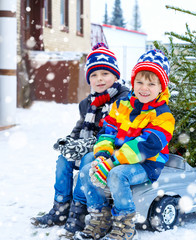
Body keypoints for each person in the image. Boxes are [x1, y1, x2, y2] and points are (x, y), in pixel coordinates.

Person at [73, 49, 175, 240]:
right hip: (116, 158)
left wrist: (112, 163)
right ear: (133, 82)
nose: (144, 88)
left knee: (117, 175)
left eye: (151, 84)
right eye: (140, 82)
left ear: (161, 87)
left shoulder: (163, 116)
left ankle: (125, 225)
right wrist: (102, 156)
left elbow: (145, 146)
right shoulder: (122, 105)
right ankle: (99, 218)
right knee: (87, 170)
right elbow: (108, 131)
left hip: (146, 163)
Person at [31, 43, 129, 237]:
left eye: (105, 73)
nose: (99, 79)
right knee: (63, 160)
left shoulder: (123, 98)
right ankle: (60, 208)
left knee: (87, 160)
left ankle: (79, 211)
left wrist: (91, 145)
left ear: (115, 75)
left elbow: (116, 130)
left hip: (111, 147)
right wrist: (68, 142)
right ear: (89, 79)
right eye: (94, 75)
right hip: (88, 144)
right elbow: (79, 128)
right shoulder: (87, 104)